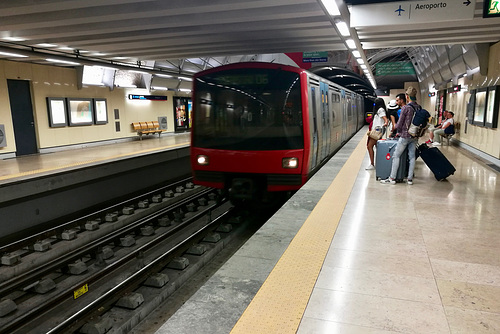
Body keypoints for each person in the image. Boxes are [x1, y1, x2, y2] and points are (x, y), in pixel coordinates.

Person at [380, 86, 419, 185]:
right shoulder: (418, 107)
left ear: (407, 96)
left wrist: (395, 128)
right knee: (412, 157)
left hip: (405, 136)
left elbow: (400, 123)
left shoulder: (406, 108)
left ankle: (392, 178)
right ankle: (410, 179)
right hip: (414, 136)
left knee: (396, 156)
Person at [366, 98, 388, 170]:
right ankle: (380, 163)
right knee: (377, 148)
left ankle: (372, 164)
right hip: (377, 132)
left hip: (376, 132)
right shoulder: (381, 109)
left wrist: (385, 123)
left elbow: (385, 119)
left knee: (369, 146)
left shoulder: (380, 110)